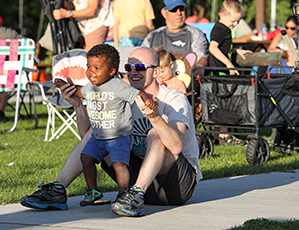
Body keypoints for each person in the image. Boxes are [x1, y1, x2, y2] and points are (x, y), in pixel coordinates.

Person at [21, 47, 202, 217]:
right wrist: (78, 106)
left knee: (156, 133)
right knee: (100, 132)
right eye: (128, 67)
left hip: (176, 184)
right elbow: (88, 134)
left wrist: (155, 117)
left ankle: (136, 195)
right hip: (137, 179)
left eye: (139, 67)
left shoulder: (173, 99)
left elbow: (176, 146)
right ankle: (57, 189)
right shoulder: (122, 96)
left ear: (155, 72)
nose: (132, 72)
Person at [54, 44, 156, 206]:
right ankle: (93, 191)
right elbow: (80, 92)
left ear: (111, 71)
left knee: (119, 164)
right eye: (88, 67)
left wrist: (147, 99)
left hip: (119, 136)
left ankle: (123, 194)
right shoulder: (92, 86)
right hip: (98, 136)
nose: (90, 71)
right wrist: (65, 86)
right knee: (85, 158)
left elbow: (136, 93)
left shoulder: (117, 85)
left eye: (96, 68)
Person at [208, 0, 251, 145]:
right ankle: (224, 134)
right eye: (233, 21)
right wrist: (228, 64)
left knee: (221, 100)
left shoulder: (225, 28)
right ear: (221, 15)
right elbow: (213, 48)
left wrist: (236, 50)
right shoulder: (220, 29)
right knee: (223, 101)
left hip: (221, 71)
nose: (235, 25)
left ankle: (217, 134)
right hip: (219, 72)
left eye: (238, 21)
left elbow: (223, 48)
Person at [141, 0, 208, 76]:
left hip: (186, 84)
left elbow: (202, 58)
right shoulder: (152, 37)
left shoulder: (195, 34)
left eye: (181, 9)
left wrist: (199, 68)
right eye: (174, 10)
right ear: (164, 13)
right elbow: (141, 60)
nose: (179, 13)